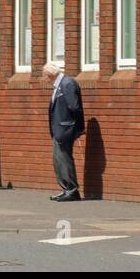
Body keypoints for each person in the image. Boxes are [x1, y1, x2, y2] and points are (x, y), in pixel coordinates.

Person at [44, 62, 85, 201]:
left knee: (64, 159)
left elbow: (74, 107)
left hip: (65, 128)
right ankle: (66, 188)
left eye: (45, 75)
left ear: (50, 74)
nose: (45, 79)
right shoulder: (59, 85)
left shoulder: (67, 83)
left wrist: (75, 127)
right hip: (59, 128)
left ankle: (72, 190)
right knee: (58, 160)